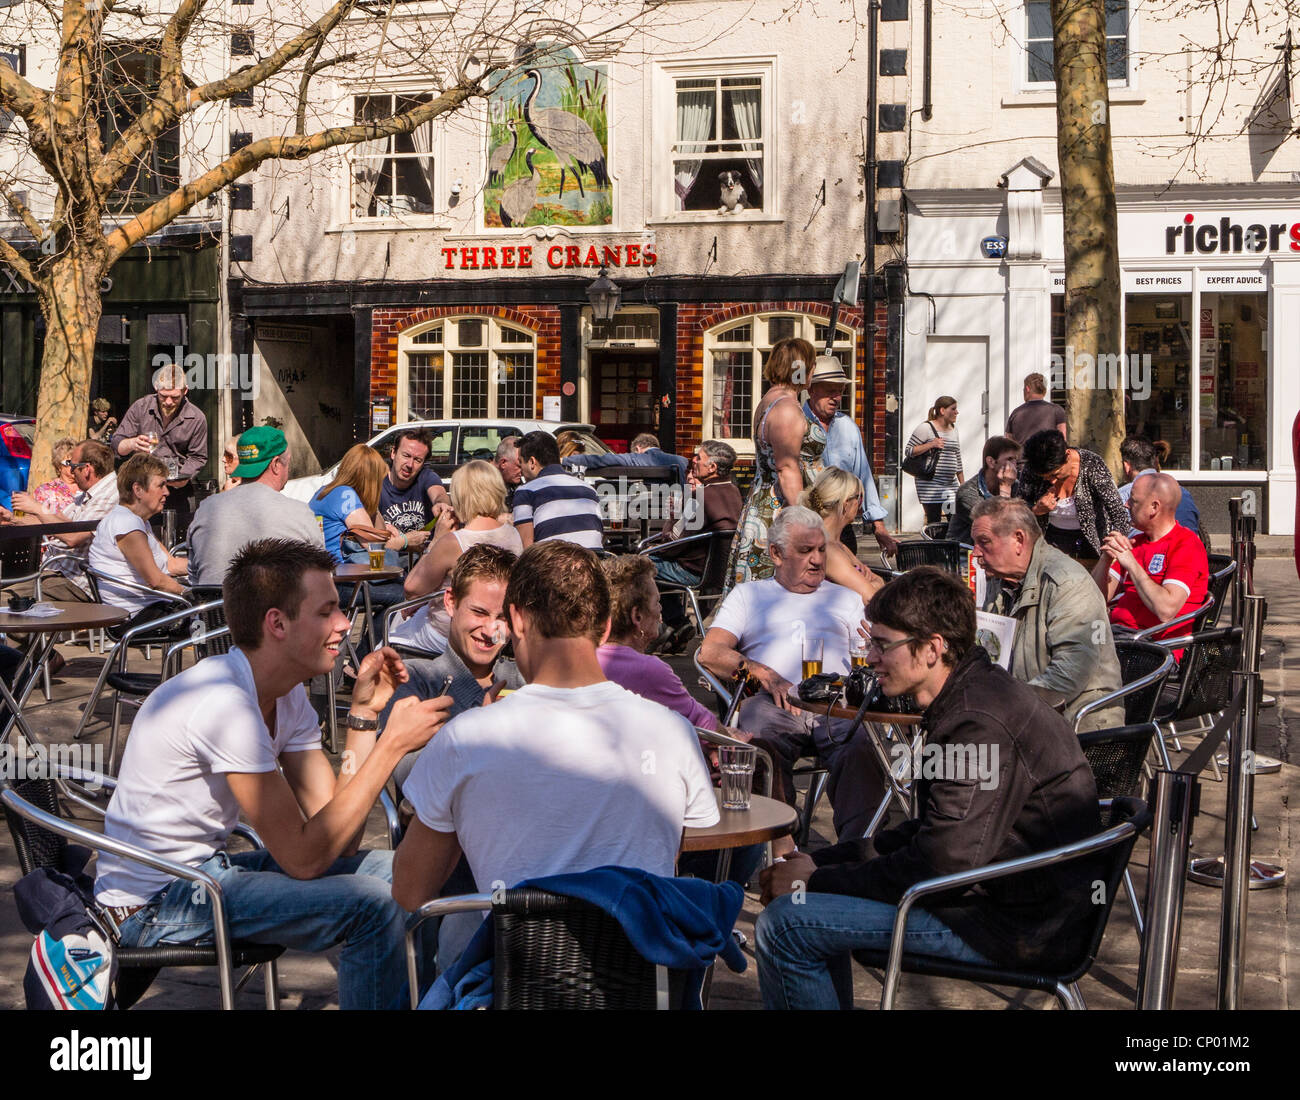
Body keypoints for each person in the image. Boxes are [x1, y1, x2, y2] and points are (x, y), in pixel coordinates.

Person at [94, 538, 452, 1010]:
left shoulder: (286, 694)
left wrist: (364, 716)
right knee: (376, 906)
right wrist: (390, 747)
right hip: (154, 902)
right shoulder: (225, 704)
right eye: (326, 612)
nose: (345, 624)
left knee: (408, 874)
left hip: (204, 875)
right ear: (277, 623)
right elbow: (305, 858)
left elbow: (335, 840)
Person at [754, 567, 1102, 1010]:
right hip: (1007, 902)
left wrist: (819, 878)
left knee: (786, 925)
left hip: (1014, 926)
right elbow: (931, 833)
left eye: (882, 644)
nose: (870, 657)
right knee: (807, 904)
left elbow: (943, 862)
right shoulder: (974, 694)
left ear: (933, 648)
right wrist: (820, 862)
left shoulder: (978, 720)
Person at [391, 540, 719, 968]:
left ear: (517, 621)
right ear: (604, 629)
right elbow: (665, 855)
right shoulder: (674, 732)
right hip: (640, 986)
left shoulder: (465, 739)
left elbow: (411, 891)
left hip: (512, 982)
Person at [701, 506, 880, 846]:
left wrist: (877, 649)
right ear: (777, 554)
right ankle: (783, 849)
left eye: (821, 550)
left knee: (861, 745)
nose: (816, 560)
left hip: (837, 704)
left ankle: (857, 851)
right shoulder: (750, 595)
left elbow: (876, 651)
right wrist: (762, 673)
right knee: (759, 741)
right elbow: (710, 653)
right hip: (773, 702)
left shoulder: (846, 597)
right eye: (805, 550)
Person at [379, 543, 523, 796]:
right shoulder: (415, 679)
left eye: (502, 618)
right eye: (479, 612)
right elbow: (407, 775)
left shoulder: (523, 680)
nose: (490, 631)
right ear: (451, 602)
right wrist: (477, 731)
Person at [970, 497, 1123, 731]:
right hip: (1025, 714)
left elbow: (1069, 672)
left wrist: (1003, 707)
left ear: (1018, 540)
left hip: (1076, 725)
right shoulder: (1000, 579)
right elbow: (987, 649)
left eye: (984, 542)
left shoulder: (1066, 582)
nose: (976, 553)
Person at [391, 460, 522, 654]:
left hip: (451, 635)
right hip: (498, 633)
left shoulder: (454, 542)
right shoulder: (514, 535)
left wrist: (436, 540)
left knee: (391, 629)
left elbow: (412, 589)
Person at [726, 337, 826, 590]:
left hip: (766, 503)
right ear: (801, 368)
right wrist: (806, 521)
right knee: (779, 587)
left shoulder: (770, 400)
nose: (813, 371)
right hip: (780, 508)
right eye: (812, 365)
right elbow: (787, 468)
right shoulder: (786, 409)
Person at [187, 426, 323, 587]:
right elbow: (321, 576)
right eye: (288, 463)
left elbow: (194, 578)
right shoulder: (299, 512)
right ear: (276, 464)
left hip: (215, 610)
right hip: (277, 610)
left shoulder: (206, 509)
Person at [1095, 471, 1209, 644]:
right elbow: (1094, 599)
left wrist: (1132, 565)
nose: (1126, 505)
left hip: (1153, 648)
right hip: (1117, 636)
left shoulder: (1186, 545)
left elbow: (1166, 610)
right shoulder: (1136, 542)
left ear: (1154, 507)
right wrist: (1105, 559)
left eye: (1134, 501)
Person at [802, 354, 899, 558]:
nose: (836, 397)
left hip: (840, 526)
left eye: (840, 391)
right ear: (811, 389)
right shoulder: (796, 423)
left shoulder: (847, 427)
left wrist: (878, 526)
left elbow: (863, 477)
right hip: (804, 525)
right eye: (830, 391)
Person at [0, 439, 119, 602]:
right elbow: (54, 523)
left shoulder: (110, 495)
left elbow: (72, 538)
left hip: (76, 582)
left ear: (87, 469)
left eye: (73, 465)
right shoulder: (90, 493)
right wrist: (11, 518)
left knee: (4, 599)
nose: (71, 470)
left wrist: (37, 508)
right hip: (56, 572)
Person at [87, 454, 189, 620]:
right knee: (216, 610)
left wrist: (212, 566)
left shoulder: (137, 521)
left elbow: (170, 563)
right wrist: (191, 594)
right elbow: (156, 580)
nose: (167, 492)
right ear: (138, 490)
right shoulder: (126, 524)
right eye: (161, 486)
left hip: (152, 607)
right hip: (139, 615)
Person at [110, 363, 209, 517]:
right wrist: (131, 443)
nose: (168, 402)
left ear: (185, 391)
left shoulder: (197, 417)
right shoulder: (141, 407)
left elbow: (198, 457)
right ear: (156, 388)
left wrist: (183, 477)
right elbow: (117, 443)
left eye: (175, 397)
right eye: (163, 396)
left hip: (176, 491)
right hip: (141, 490)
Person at [1019, 429, 1129, 565]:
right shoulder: (1031, 470)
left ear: (1068, 455)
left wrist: (1112, 547)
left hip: (1092, 547)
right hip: (1049, 544)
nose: (1052, 481)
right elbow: (1018, 509)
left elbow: (1119, 514)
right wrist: (1036, 510)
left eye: (1055, 474)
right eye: (1045, 478)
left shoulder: (1092, 464)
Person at [798, 467, 884, 606]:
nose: (860, 506)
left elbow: (874, 583)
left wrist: (875, 582)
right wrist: (875, 582)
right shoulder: (828, 549)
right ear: (846, 504)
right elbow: (872, 598)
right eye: (859, 499)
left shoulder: (837, 544)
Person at [309, 443, 405, 564]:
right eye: (379, 480)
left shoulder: (325, 491)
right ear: (370, 481)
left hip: (325, 570)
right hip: (342, 574)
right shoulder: (345, 495)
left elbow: (378, 531)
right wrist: (405, 540)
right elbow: (374, 546)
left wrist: (371, 505)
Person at [511, 430, 604, 550]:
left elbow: (525, 548)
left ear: (532, 462)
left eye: (520, 463)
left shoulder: (526, 491)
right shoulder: (589, 490)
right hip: (592, 564)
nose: (520, 470)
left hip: (555, 565)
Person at [378, 427, 450, 551]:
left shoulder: (427, 477)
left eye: (417, 460)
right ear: (393, 453)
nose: (410, 465)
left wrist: (441, 504)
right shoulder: (377, 483)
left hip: (423, 559)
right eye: (406, 455)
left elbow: (439, 494)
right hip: (389, 560)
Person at [946, 435, 1021, 545]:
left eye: (1015, 460)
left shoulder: (1015, 485)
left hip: (993, 550)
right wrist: (1005, 488)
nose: (1015, 465)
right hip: (963, 553)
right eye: (1009, 459)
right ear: (991, 462)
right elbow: (997, 528)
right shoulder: (967, 491)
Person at [1118, 437, 1201, 535]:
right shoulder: (1181, 492)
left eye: (1133, 501)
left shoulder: (1121, 495)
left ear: (1126, 466)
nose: (1127, 505)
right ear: (1155, 462)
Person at [904, 396, 963, 524]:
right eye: (953, 409)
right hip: (930, 485)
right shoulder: (925, 428)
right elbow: (909, 451)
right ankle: (935, 544)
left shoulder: (954, 430)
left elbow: (957, 458)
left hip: (950, 486)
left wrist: (962, 484)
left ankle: (950, 544)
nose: (956, 412)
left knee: (954, 520)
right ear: (942, 410)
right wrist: (931, 444)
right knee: (934, 521)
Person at [565, 431, 689, 485]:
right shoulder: (682, 461)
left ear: (638, 448)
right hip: (678, 513)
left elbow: (601, 460)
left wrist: (563, 460)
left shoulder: (635, 458)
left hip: (643, 512)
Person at [1006, 372, 1067, 444]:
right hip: (1049, 455)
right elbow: (1062, 439)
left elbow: (1009, 443)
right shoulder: (1057, 411)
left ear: (1027, 389)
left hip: (1024, 455)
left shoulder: (1016, 413)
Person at [30, 439, 77, 516]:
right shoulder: (45, 491)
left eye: (78, 461)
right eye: (69, 462)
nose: (74, 465)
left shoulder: (88, 487)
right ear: (59, 465)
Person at [494, 434, 523, 511]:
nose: (522, 472)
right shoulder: (482, 483)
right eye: (519, 466)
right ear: (503, 463)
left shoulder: (514, 483)